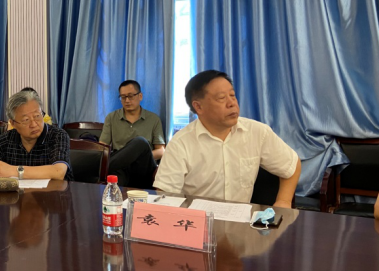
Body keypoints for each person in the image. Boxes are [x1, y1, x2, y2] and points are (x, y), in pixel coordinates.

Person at [154, 70, 301, 208]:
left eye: (232, 95)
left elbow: (292, 165)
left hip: (241, 222)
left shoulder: (257, 132)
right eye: (221, 98)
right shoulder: (181, 143)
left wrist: (283, 201)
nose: (232, 103)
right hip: (197, 221)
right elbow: (166, 196)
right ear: (198, 107)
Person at [0, 90, 72, 181]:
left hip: (54, 197)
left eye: (37, 116)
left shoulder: (58, 135)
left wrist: (13, 170)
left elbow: (58, 172)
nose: (34, 124)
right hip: (17, 198)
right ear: (13, 123)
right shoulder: (7, 138)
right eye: (26, 120)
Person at [100, 80, 166, 188]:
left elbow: (161, 151)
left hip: (143, 167)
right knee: (115, 186)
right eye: (123, 97)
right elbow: (103, 147)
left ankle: (97, 169)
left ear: (140, 96)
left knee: (140, 143)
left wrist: (138, 155)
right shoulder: (111, 117)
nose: (127, 100)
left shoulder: (153, 119)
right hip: (120, 167)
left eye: (130, 96)